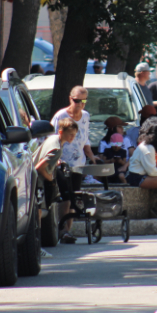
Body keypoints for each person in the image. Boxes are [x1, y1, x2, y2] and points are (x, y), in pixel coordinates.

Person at [50, 86, 99, 243]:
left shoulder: (85, 116)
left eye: (83, 101)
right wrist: (55, 158)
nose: (79, 104)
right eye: (77, 100)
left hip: (78, 163)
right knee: (66, 196)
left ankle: (67, 231)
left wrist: (91, 156)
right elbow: (51, 139)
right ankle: (62, 229)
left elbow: (85, 139)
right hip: (62, 163)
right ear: (70, 99)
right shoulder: (61, 116)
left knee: (75, 196)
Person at [34, 118, 78, 221]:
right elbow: (39, 168)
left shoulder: (53, 138)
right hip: (37, 180)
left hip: (31, 176)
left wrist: (56, 161)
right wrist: (50, 179)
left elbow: (45, 156)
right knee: (39, 210)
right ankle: (37, 235)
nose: (73, 137)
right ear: (61, 132)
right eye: (70, 134)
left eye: (74, 134)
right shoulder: (57, 149)